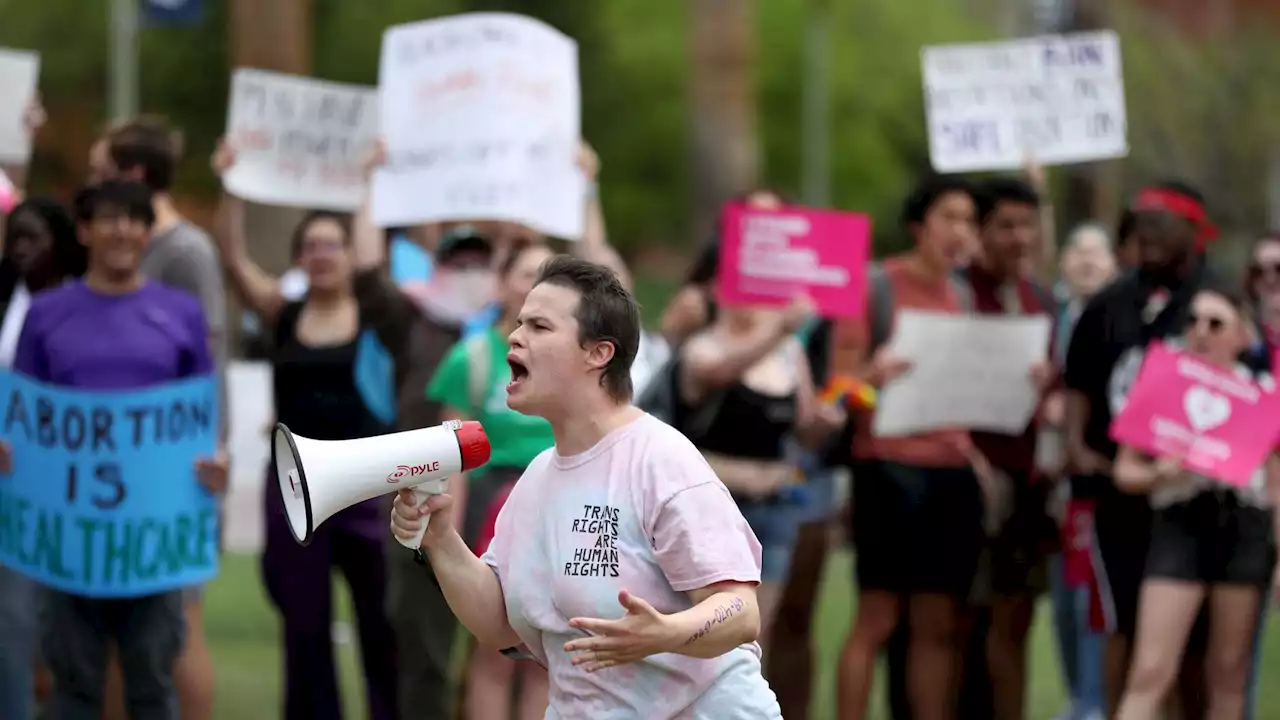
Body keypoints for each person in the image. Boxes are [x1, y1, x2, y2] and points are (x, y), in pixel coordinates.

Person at [390, 255, 782, 717]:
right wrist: (440, 539)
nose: (515, 336)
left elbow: (739, 611)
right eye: (519, 324)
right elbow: (497, 625)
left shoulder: (659, 459)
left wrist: (666, 634)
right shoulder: (537, 478)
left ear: (598, 353)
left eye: (539, 327)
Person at [1, 179, 226, 719]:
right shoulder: (47, 314)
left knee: (151, 685)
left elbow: (200, 417)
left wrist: (214, 463)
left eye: (134, 218)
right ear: (83, 231)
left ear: (149, 232)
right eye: (108, 217)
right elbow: (26, 415)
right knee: (72, 689)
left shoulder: (181, 314)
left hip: (150, 545)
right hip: (69, 543)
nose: (121, 229)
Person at [212, 139, 415, 720]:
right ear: (299, 258)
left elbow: (376, 258)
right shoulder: (284, 313)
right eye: (311, 246)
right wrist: (232, 185)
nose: (322, 253)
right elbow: (234, 262)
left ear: (350, 254)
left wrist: (370, 179)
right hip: (296, 487)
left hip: (368, 487)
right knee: (303, 624)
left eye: (333, 244)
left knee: (380, 619)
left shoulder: (378, 316)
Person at [831, 174, 988, 720]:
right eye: (950, 217)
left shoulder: (964, 294)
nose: (961, 231)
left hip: (951, 475)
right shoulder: (874, 285)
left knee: (937, 625)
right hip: (889, 471)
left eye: (970, 221)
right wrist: (873, 375)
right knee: (877, 620)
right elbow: (837, 391)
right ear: (919, 226)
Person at [1064, 181, 1221, 717]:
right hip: (1120, 497)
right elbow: (1079, 386)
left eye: (1160, 223)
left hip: (1196, 504)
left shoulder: (1212, 304)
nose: (1146, 235)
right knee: (1123, 628)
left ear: (1194, 231)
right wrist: (1077, 449)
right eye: (1138, 223)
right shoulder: (1110, 303)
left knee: (1199, 647)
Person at [90, 115, 227, 720]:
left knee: (178, 622)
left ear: (135, 177)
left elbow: (209, 362)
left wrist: (208, 448)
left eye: (104, 176)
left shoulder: (187, 251)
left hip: (175, 461)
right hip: (122, 459)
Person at [1113, 284, 1278, 720]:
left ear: (1243, 336)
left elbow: (1277, 487)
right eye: (1193, 321)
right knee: (1150, 670)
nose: (1200, 331)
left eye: (1215, 323)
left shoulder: (1262, 395)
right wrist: (1156, 474)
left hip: (1244, 525)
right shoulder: (1162, 381)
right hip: (1180, 523)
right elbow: (1124, 470)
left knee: (1229, 672)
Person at [426, 239, 557, 720]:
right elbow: (449, 458)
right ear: (502, 281)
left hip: (558, 509)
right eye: (526, 273)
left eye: (549, 275)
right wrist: (447, 540)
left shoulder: (567, 359)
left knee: (547, 651)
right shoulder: (474, 357)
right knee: (494, 650)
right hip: (492, 510)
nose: (536, 285)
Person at [961, 176, 1057, 720]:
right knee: (958, 628)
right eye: (1006, 226)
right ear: (980, 231)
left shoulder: (1040, 297)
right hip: (965, 481)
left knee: (1013, 624)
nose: (1019, 237)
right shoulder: (956, 293)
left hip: (1027, 484)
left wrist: (1053, 389)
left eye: (1028, 225)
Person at [0, 197, 85, 720]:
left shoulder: (80, 304)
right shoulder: (5, 296)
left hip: (64, 488)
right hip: (9, 485)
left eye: (35, 237)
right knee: (12, 621)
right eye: (16, 238)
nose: (23, 248)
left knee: (59, 624)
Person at [1047, 222, 1118, 720]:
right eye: (1077, 251)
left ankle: (1091, 705)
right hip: (1046, 492)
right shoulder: (1050, 319)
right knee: (1062, 613)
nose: (1087, 261)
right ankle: (1080, 698)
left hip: (1095, 491)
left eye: (1098, 253)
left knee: (1088, 606)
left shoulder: (1120, 320)